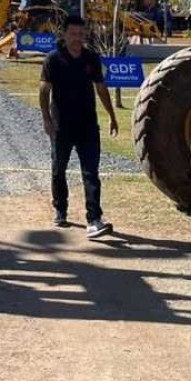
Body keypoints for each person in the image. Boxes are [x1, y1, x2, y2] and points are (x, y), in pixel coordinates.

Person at [39, 15, 119, 238]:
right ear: (64, 34)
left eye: (80, 34)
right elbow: (44, 91)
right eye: (73, 34)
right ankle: (60, 208)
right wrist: (47, 119)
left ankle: (94, 219)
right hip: (61, 126)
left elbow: (101, 88)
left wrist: (112, 116)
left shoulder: (91, 58)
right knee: (58, 169)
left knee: (91, 172)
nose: (77, 38)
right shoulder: (53, 60)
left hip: (87, 125)